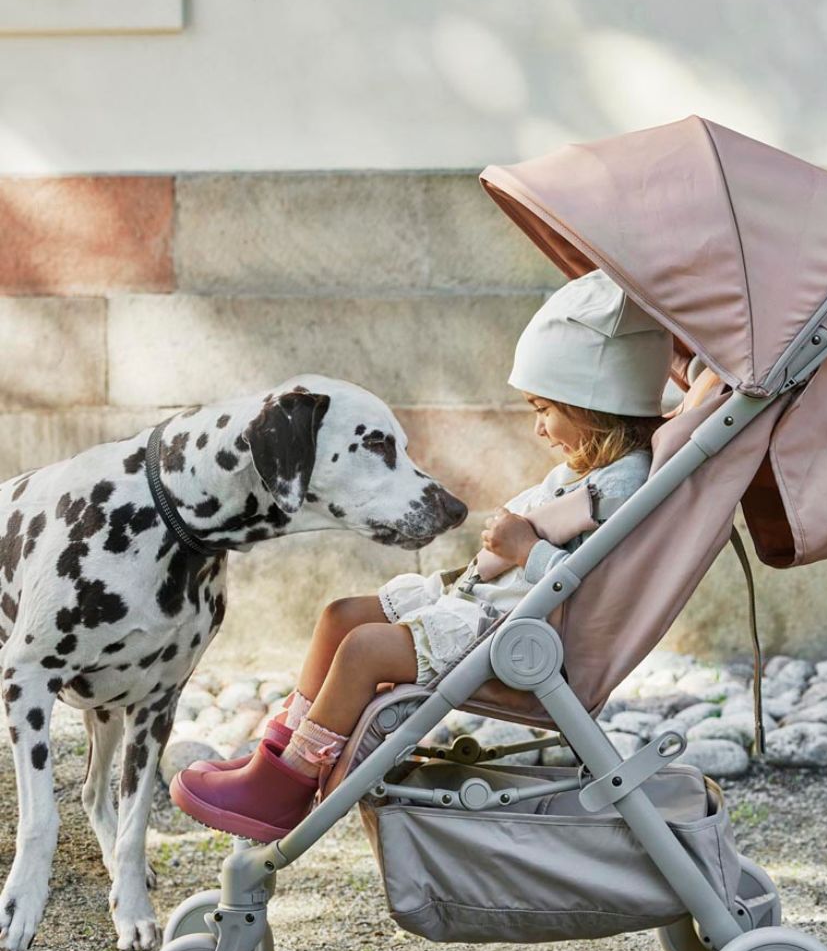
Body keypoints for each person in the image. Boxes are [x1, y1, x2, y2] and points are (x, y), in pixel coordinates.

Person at [170, 269, 672, 842]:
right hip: (491, 603)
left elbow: (589, 592)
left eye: (544, 408)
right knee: (341, 615)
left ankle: (290, 783)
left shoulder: (621, 489)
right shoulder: (590, 474)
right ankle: (278, 754)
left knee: (364, 650)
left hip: (519, 631)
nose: (537, 427)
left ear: (592, 405)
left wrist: (523, 547)